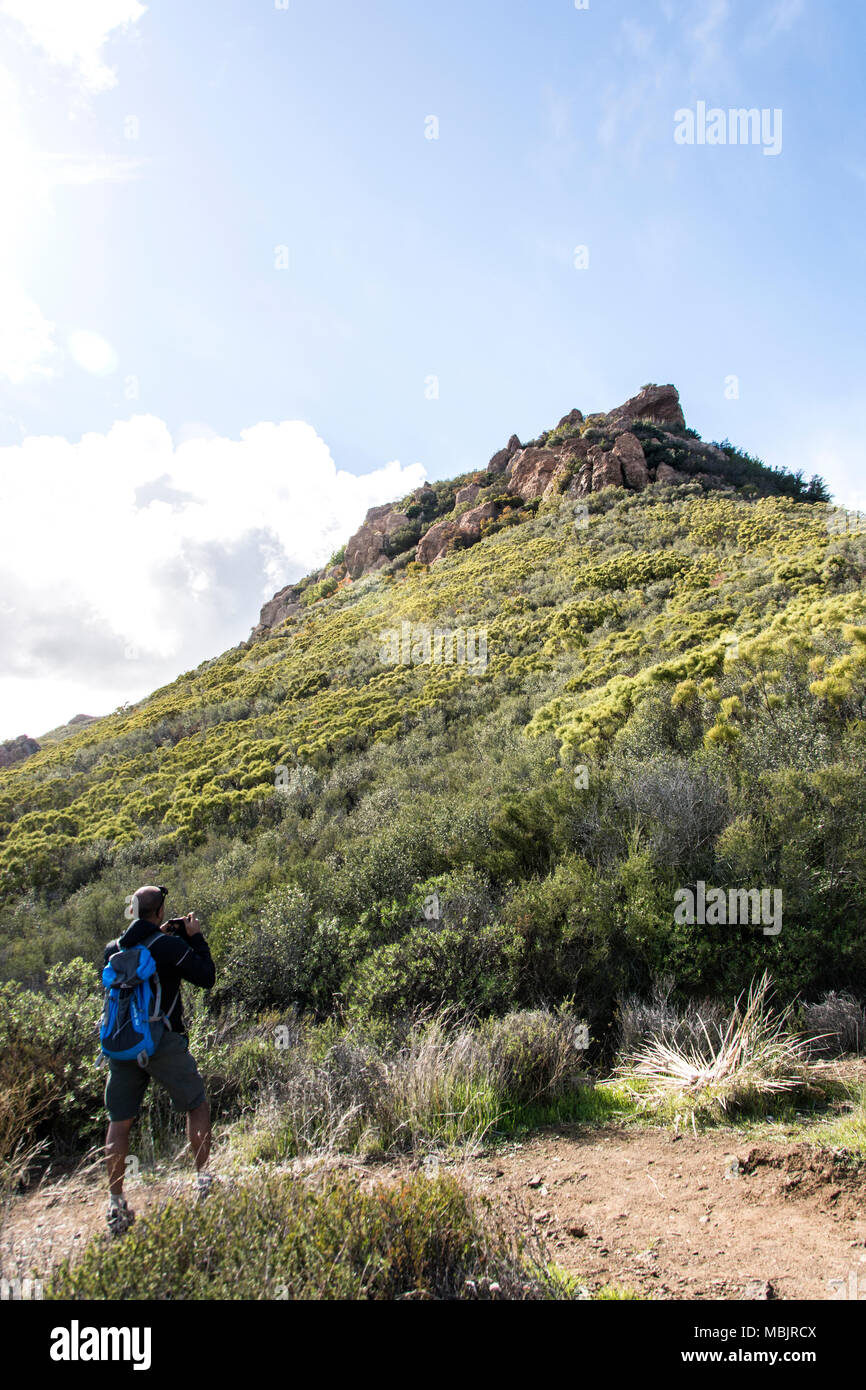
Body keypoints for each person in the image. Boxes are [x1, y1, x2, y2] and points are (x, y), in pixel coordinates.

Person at [102, 884, 215, 1235]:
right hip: (162, 1040)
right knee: (196, 1104)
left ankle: (116, 1203)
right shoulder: (168, 945)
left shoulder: (113, 949)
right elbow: (206, 977)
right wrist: (194, 938)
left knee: (119, 1122)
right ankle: (203, 1183)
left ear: (134, 911)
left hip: (124, 1042)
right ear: (160, 912)